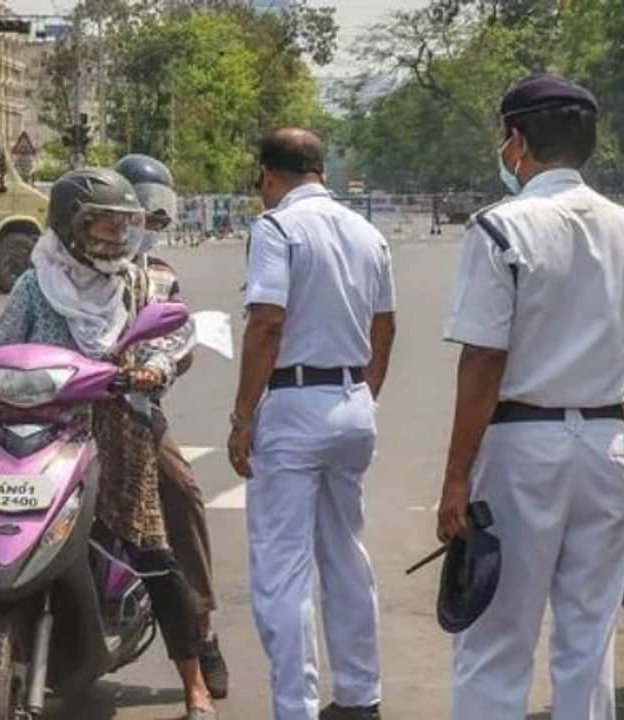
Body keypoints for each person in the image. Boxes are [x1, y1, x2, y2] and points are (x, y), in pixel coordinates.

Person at [0, 167, 217, 719]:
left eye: (121, 225)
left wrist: (151, 369)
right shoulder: (38, 281)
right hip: (37, 415)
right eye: (102, 225)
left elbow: (170, 339)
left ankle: (195, 672)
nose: (115, 236)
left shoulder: (140, 281)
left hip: (116, 415)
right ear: (70, 226)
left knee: (151, 537)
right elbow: (3, 343)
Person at [436, 74, 624, 720]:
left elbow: (483, 360)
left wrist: (454, 479)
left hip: (522, 446)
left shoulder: (501, 229)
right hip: (610, 443)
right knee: (588, 643)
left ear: (517, 142)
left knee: (496, 639)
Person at [228, 129, 395, 720]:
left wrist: (243, 416)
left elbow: (267, 322)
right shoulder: (368, 233)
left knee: (283, 567)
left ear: (269, 176)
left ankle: (292, 707)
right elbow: (384, 328)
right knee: (346, 554)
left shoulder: (275, 229)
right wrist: (362, 397)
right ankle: (358, 695)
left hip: (294, 404)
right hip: (351, 401)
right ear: (320, 171)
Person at [114, 152, 229, 699]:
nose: (147, 226)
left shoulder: (159, 275)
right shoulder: (64, 266)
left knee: (181, 494)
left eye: (157, 215)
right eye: (138, 212)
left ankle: (202, 630)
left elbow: (174, 336)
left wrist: (157, 366)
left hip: (131, 410)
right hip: (60, 409)